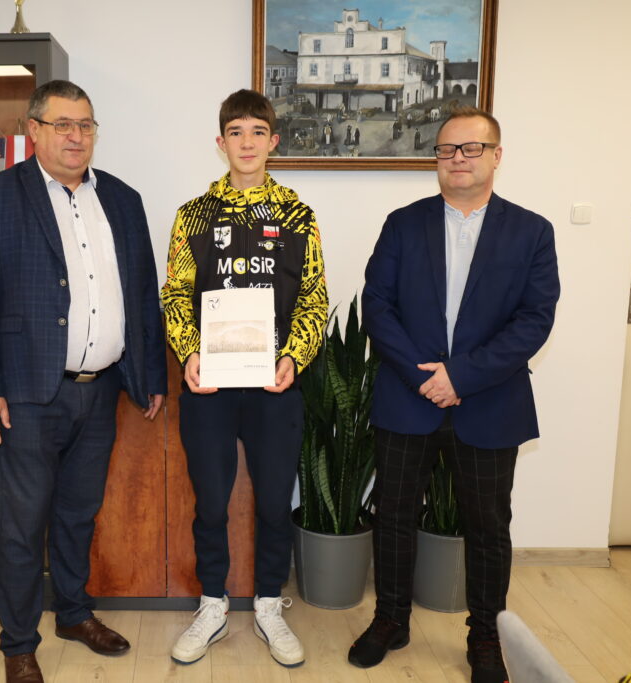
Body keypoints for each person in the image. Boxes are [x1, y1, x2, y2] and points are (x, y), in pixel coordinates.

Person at [0, 79, 167, 683]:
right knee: (24, 527)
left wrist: (151, 374)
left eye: (86, 125)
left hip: (100, 390)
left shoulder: (122, 199)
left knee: (78, 514)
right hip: (25, 395)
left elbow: (142, 295)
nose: (76, 136)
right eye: (63, 125)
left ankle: (73, 613)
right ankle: (19, 643)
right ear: (35, 131)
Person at [352, 107, 560, 683]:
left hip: (489, 402)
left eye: (472, 148)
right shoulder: (403, 224)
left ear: (497, 155)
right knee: (394, 515)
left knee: (488, 527)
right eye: (446, 150)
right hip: (408, 395)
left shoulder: (532, 231)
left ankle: (486, 636)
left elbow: (534, 320)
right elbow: (377, 306)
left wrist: (459, 377)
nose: (458, 159)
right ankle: (391, 619)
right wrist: (424, 377)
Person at [161, 89, 328, 668]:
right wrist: (189, 352)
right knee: (210, 500)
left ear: (273, 141)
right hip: (209, 386)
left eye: (258, 131)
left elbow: (313, 300)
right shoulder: (193, 215)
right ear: (221, 142)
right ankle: (212, 604)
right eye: (236, 132)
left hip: (274, 386)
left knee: (275, 503)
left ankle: (267, 606)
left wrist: (294, 358)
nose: (247, 142)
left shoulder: (298, 216)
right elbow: (175, 294)